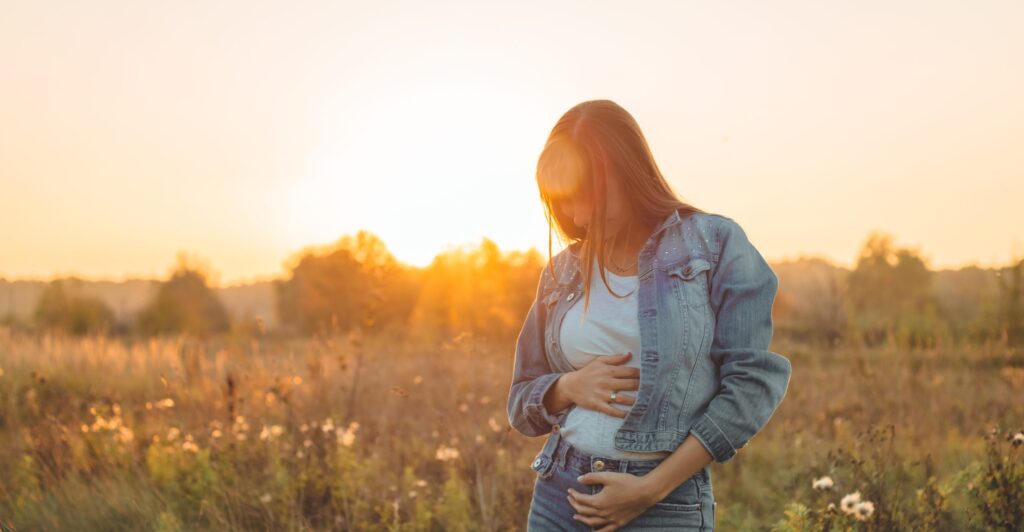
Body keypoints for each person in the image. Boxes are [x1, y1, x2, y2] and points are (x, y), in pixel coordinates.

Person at [506, 100, 793, 531]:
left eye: (584, 197)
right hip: (559, 494)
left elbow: (752, 385)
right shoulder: (563, 271)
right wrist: (567, 386)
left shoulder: (714, 245)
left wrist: (651, 488)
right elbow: (520, 401)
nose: (576, 216)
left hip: (663, 506)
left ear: (623, 171)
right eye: (564, 203)